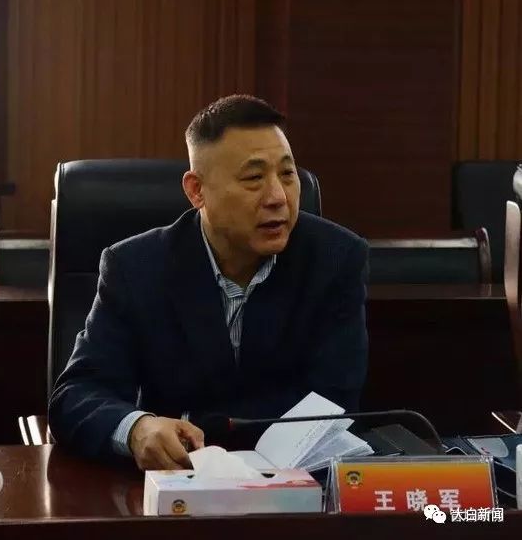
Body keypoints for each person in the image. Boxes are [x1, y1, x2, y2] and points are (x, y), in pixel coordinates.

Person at [48, 94, 368, 471]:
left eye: (287, 174)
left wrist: (202, 423)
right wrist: (137, 428)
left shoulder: (335, 258)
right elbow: (75, 395)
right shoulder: (135, 267)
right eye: (253, 178)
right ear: (196, 190)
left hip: (292, 483)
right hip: (172, 484)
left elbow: (334, 401)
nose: (278, 197)